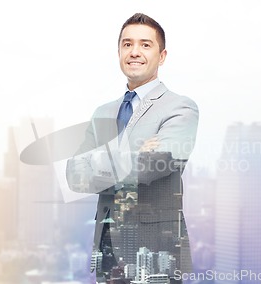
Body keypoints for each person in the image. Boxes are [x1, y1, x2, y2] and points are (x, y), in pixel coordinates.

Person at [66, 13, 199, 283]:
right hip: (107, 254)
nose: (134, 52)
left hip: (155, 254)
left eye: (145, 45)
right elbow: (73, 174)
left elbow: (152, 166)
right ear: (118, 52)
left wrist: (98, 161)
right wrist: (135, 152)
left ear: (162, 56)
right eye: (127, 44)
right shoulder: (103, 112)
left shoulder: (180, 107)